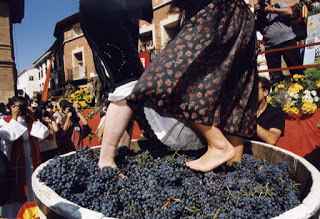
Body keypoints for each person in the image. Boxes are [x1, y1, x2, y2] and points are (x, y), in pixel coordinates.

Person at [98, 0, 258, 172]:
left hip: (219, 11)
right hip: (244, 18)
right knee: (235, 86)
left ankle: (218, 146)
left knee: (166, 78)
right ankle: (234, 167)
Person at [79, 0, 153, 149]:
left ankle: (122, 152)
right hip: (105, 9)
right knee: (127, 83)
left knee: (131, 87)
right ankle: (107, 160)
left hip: (124, 10)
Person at [0, 96, 49, 218]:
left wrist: (33, 117)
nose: (21, 109)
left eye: (23, 106)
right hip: (14, 166)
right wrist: (14, 118)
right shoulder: (4, 122)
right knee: (16, 198)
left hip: (32, 162)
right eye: (17, 106)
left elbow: (44, 133)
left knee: (32, 194)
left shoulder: (30, 120)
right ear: (11, 107)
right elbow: (10, 136)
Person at [254, 0, 304, 85]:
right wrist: (255, 13)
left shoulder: (278, 5)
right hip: (271, 45)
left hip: (288, 41)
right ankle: (277, 94)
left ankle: (301, 90)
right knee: (275, 75)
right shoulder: (258, 15)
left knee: (296, 70)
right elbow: (253, 26)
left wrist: (272, 10)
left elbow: (289, 11)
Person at [256, 76, 285, 145]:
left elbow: (272, 139)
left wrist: (249, 122)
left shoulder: (276, 112)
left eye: (255, 90)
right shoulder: (245, 110)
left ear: (265, 92)